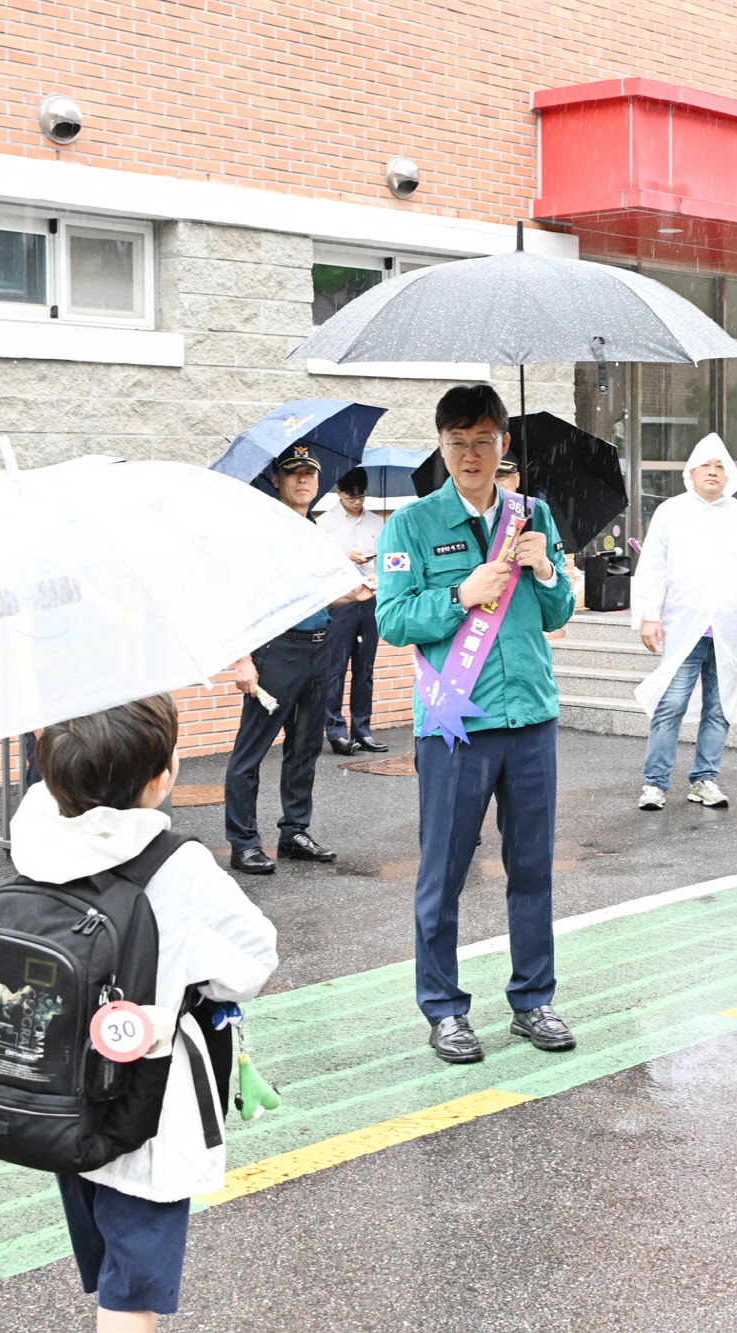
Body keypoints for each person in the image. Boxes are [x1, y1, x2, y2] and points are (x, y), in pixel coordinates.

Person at [13, 696, 277, 1331]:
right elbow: (252, 959)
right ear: (161, 778)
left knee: (109, 1249)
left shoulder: (34, 837)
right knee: (135, 1283)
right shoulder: (175, 864)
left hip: (59, 1084)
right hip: (144, 1098)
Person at [376, 384, 578, 1063]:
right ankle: (444, 1009)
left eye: (484, 440)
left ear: (503, 445)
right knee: (445, 870)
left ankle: (534, 998)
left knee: (531, 866)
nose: (471, 454)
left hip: (531, 716)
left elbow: (557, 613)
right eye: (459, 441)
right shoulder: (411, 525)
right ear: (442, 445)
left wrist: (545, 569)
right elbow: (393, 618)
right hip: (455, 722)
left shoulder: (532, 515)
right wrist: (459, 595)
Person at [224, 444, 374, 875]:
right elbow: (239, 598)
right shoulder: (261, 531)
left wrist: (357, 594)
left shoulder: (315, 532)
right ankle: (244, 842)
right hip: (277, 652)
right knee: (250, 753)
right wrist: (241, 660)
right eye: (293, 472)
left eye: (310, 472)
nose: (303, 479)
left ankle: (293, 832)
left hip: (319, 649)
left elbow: (319, 597)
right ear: (277, 480)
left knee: (305, 748)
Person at [630, 434, 737, 811]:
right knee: (671, 703)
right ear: (690, 472)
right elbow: (653, 566)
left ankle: (705, 779)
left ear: (729, 475)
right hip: (684, 626)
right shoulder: (671, 512)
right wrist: (648, 616)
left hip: (728, 627)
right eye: (705, 466)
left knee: (720, 706)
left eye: (720, 466)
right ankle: (655, 783)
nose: (713, 472)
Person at [316, 467, 386, 756]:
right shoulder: (325, 524)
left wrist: (381, 574)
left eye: (362, 496)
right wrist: (344, 557)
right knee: (336, 668)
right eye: (351, 496)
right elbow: (316, 564)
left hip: (371, 599)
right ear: (339, 493)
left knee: (364, 669)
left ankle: (363, 729)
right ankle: (336, 731)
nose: (357, 502)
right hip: (340, 601)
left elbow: (390, 557)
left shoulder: (377, 522)